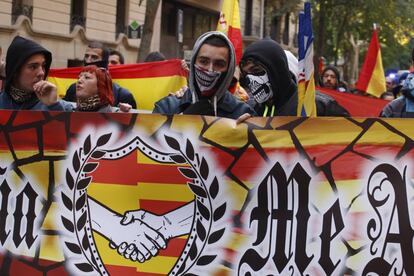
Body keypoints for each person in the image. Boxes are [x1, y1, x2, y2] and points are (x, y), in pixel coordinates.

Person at [153, 31, 255, 119]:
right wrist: (183, 118)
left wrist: (248, 129)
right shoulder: (167, 107)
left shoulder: (242, 112)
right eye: (203, 61)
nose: (210, 70)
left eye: (219, 64)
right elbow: (150, 139)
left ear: (228, 70)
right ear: (193, 63)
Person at [239, 39, 349, 117]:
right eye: (246, 74)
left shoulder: (319, 106)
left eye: (257, 71)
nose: (251, 80)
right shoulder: (251, 111)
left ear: (277, 70)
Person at [0, 36, 71, 111]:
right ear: (15, 71)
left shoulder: (60, 106)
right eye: (33, 67)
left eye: (43, 66)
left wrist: (54, 106)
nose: (41, 73)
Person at [63, 41, 137, 108]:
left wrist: (126, 114)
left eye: (94, 57)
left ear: (105, 62)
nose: (88, 61)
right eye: (86, 56)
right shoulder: (73, 89)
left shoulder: (122, 95)